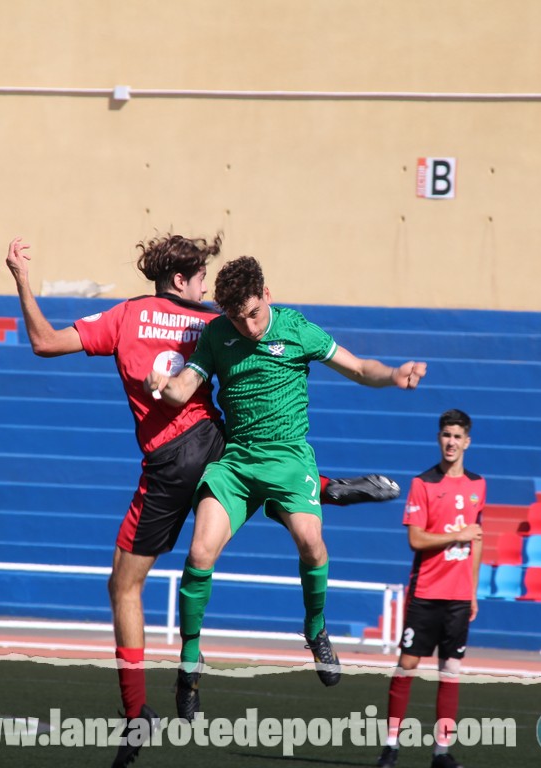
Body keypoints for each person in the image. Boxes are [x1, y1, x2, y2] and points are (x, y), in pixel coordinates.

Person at [5, 236, 401, 768]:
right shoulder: (211, 322)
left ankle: (136, 714)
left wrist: (23, 281)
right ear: (180, 282)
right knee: (254, 486)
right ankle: (320, 487)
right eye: (201, 280)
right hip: (219, 441)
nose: (208, 291)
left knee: (124, 585)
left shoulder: (134, 316)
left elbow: (45, 342)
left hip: (172, 463)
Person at [147, 255, 427, 721]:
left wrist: (394, 375)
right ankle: (189, 669)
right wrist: (162, 384)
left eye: (253, 314)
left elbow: (358, 368)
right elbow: (183, 387)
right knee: (198, 556)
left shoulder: (297, 329)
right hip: (236, 462)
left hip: (289, 458)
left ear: (268, 295)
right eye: (237, 317)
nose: (248, 326)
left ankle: (315, 629)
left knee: (311, 543)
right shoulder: (218, 334)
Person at [376, 409, 485, 768]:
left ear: (467, 441)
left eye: (457, 436)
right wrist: (458, 534)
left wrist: (472, 590)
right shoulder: (423, 484)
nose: (451, 442)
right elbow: (415, 539)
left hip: (457, 597)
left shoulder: (477, 485)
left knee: (450, 670)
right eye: (445, 435)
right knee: (406, 666)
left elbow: (478, 541)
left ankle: (441, 752)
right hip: (425, 592)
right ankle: (391, 745)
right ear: (439, 439)